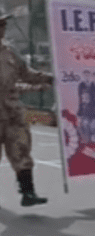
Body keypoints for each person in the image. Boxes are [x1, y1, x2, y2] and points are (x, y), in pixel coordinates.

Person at [0, 14, 53, 206]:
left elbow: (26, 74)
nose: (2, 28)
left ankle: (28, 193)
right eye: (0, 24)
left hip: (13, 113)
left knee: (21, 150)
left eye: (3, 25)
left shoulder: (10, 53)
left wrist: (48, 78)